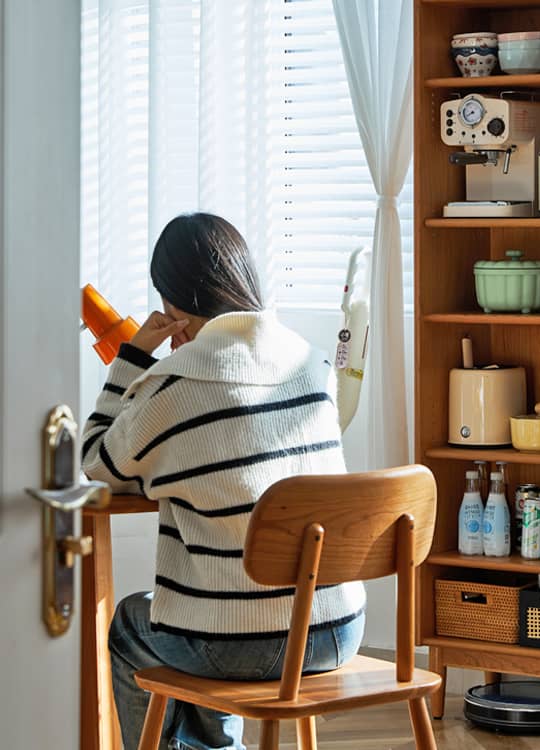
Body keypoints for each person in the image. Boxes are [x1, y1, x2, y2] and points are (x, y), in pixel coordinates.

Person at [82, 212, 366, 750]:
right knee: (203, 612)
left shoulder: (176, 383)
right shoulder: (310, 362)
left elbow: (97, 461)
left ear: (172, 305)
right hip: (338, 629)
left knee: (134, 625)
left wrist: (133, 357)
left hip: (248, 646)